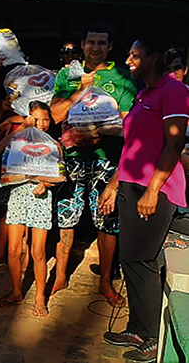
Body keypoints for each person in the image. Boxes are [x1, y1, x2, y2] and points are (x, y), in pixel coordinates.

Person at [100, 36, 189, 363]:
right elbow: (131, 148)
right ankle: (138, 327)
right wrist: (113, 184)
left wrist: (153, 190)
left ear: (154, 58)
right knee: (130, 259)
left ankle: (152, 337)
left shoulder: (174, 91)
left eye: (135, 55)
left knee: (143, 262)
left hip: (156, 190)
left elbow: (173, 145)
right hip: (130, 187)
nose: (129, 59)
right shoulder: (142, 95)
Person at [49, 23, 137, 305]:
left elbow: (128, 124)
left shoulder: (122, 76)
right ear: (83, 45)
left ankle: (105, 282)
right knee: (66, 217)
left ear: (110, 47)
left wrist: (96, 134)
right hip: (72, 158)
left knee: (108, 220)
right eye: (91, 42)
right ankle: (61, 275)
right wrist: (78, 90)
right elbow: (55, 115)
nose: (96, 47)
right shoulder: (68, 74)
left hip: (107, 160)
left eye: (102, 43)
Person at [0, 101, 58, 318]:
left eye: (46, 119)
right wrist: (22, 126)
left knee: (38, 252)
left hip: (41, 198)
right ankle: (16, 291)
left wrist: (44, 183)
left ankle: (40, 296)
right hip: (18, 196)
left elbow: (60, 175)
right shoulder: (17, 142)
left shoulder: (53, 145)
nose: (42, 123)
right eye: (36, 119)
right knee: (14, 249)